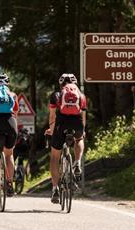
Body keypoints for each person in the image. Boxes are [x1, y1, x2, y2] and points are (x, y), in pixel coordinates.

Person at [45, 73, 87, 203]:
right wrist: (82, 130)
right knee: (79, 140)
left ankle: (55, 188)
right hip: (77, 123)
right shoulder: (81, 95)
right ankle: (77, 162)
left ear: (61, 84)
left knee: (55, 157)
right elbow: (83, 116)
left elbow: (52, 116)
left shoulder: (56, 95)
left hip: (61, 124)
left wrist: (51, 131)